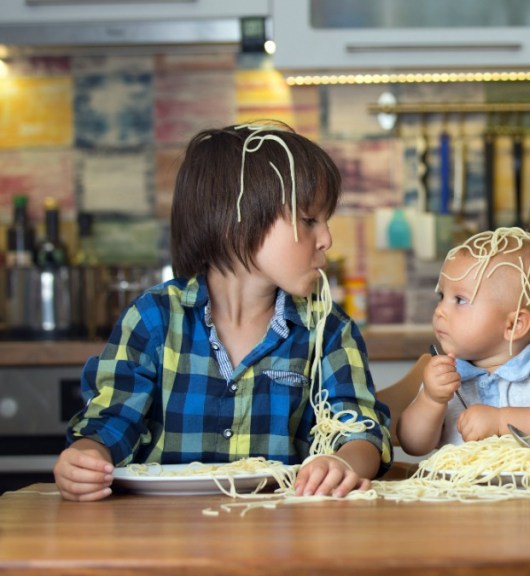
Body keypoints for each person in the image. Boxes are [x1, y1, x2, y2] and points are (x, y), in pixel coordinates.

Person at [53, 122, 392, 501]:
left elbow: (360, 432)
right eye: (309, 220)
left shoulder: (326, 329)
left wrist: (344, 464)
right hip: (160, 530)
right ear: (236, 223)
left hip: (284, 532)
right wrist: (85, 458)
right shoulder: (154, 319)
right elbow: (111, 424)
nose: (327, 238)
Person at [396, 227, 530, 455]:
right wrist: (431, 399)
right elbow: (412, 444)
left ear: (514, 325)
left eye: (459, 300)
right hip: (458, 490)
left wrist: (500, 421)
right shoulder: (446, 374)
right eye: (442, 297)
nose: (440, 310)